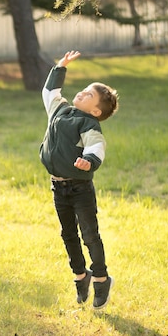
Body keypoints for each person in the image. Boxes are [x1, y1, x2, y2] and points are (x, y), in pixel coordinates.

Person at [39, 51, 119, 310]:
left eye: (89, 95)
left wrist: (89, 161)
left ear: (95, 110)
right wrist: (60, 67)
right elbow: (49, 91)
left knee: (89, 235)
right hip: (58, 186)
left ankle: (101, 278)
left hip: (79, 188)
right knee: (68, 234)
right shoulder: (60, 109)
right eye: (84, 90)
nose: (82, 93)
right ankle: (80, 275)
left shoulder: (88, 124)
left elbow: (96, 147)